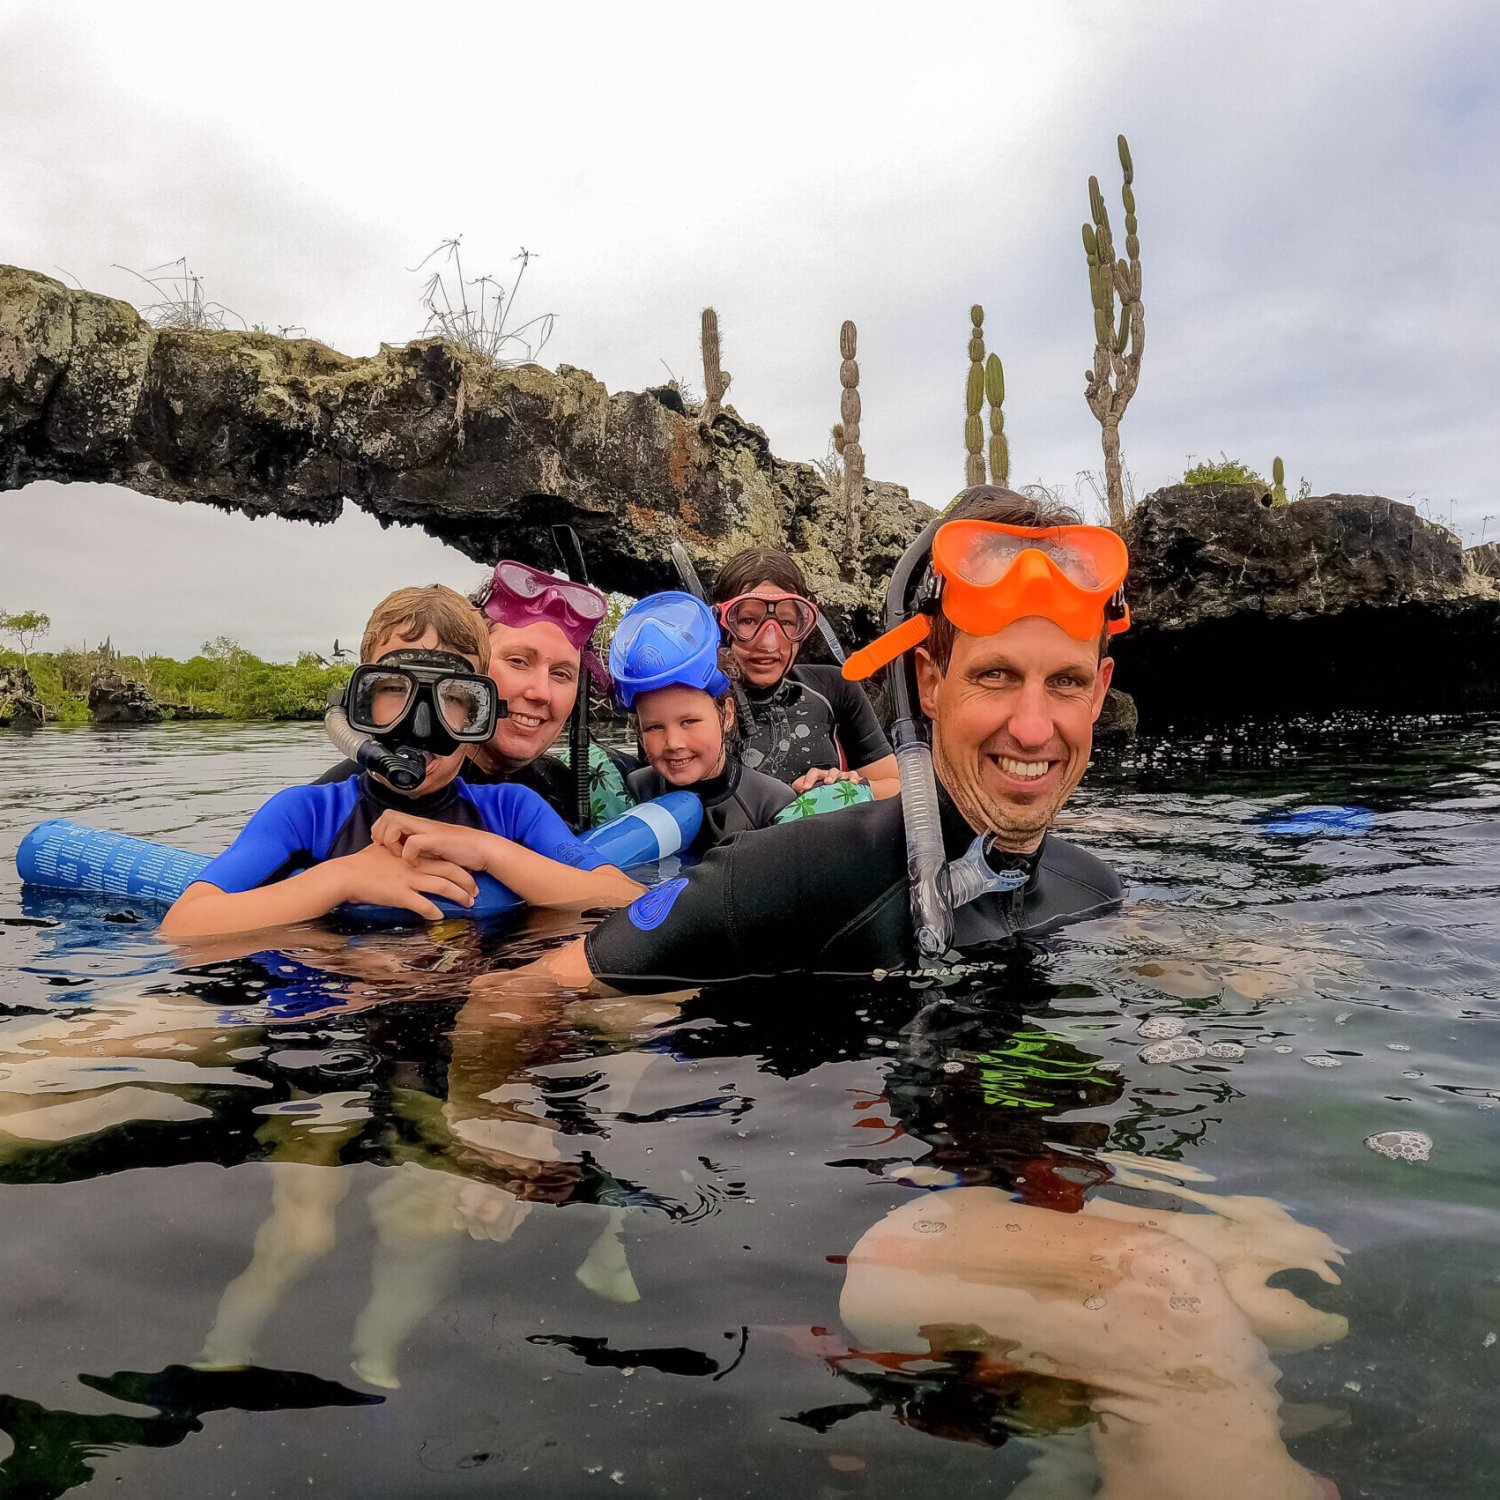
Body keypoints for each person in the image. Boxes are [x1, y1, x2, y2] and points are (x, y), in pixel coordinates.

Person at [505, 487, 1128, 992]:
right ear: (929, 683)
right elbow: (521, 993)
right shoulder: (777, 873)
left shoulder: (1097, 891)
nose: (1032, 727)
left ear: (1100, 691)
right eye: (994, 675)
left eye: (1067, 681)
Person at [163, 585, 643, 938]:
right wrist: (342, 877)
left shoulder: (513, 811)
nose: (420, 722)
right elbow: (185, 923)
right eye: (395, 689)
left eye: (453, 697)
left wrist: (488, 850)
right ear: (357, 703)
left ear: (481, 713)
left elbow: (626, 897)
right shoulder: (305, 814)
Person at [315, 560, 635, 831]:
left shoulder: (562, 788)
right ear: (471, 672)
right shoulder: (348, 794)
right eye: (518, 661)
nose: (541, 692)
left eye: (562, 674)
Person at [609, 592, 795, 854]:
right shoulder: (632, 791)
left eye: (689, 721)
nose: (673, 743)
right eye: (654, 727)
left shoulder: (771, 802)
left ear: (727, 715)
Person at [711, 548, 899, 798]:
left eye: (786, 622)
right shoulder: (694, 699)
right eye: (748, 621)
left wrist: (845, 791)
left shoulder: (834, 687)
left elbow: (898, 788)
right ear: (719, 624)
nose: (768, 644)